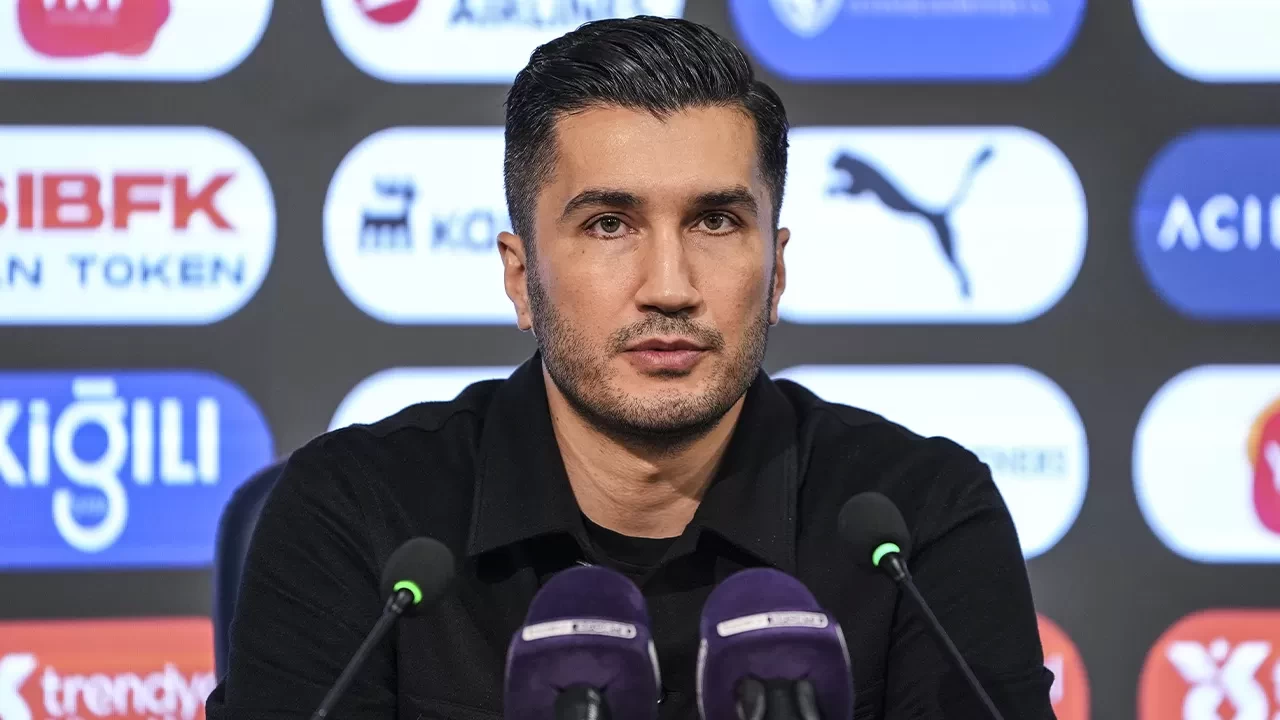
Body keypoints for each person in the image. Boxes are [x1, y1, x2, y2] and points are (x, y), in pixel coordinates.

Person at [207, 15, 1054, 720]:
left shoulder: (917, 523)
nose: (670, 287)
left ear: (777, 270)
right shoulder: (359, 516)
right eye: (609, 224)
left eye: (716, 222)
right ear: (521, 277)